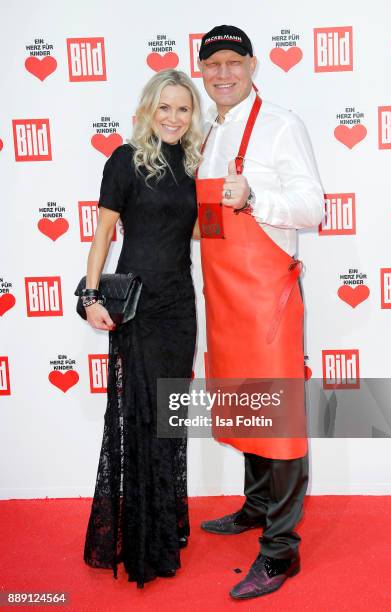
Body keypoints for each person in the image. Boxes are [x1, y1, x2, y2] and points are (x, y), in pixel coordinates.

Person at [196, 26, 324, 600]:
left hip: (267, 296)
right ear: (201, 71)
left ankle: (280, 552)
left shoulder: (281, 124)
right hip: (224, 298)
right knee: (246, 404)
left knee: (281, 424)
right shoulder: (210, 130)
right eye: (212, 64)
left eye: (233, 62)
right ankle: (255, 507)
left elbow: (313, 207)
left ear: (252, 66)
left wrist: (256, 198)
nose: (223, 73)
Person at [82, 69, 202, 587]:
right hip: (139, 305)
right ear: (148, 111)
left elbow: (202, 231)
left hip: (180, 303)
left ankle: (163, 525)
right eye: (165, 108)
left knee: (170, 417)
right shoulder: (125, 161)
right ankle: (143, 542)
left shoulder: (196, 164)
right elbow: (104, 233)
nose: (174, 118)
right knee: (143, 418)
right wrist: (88, 295)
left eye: (183, 109)